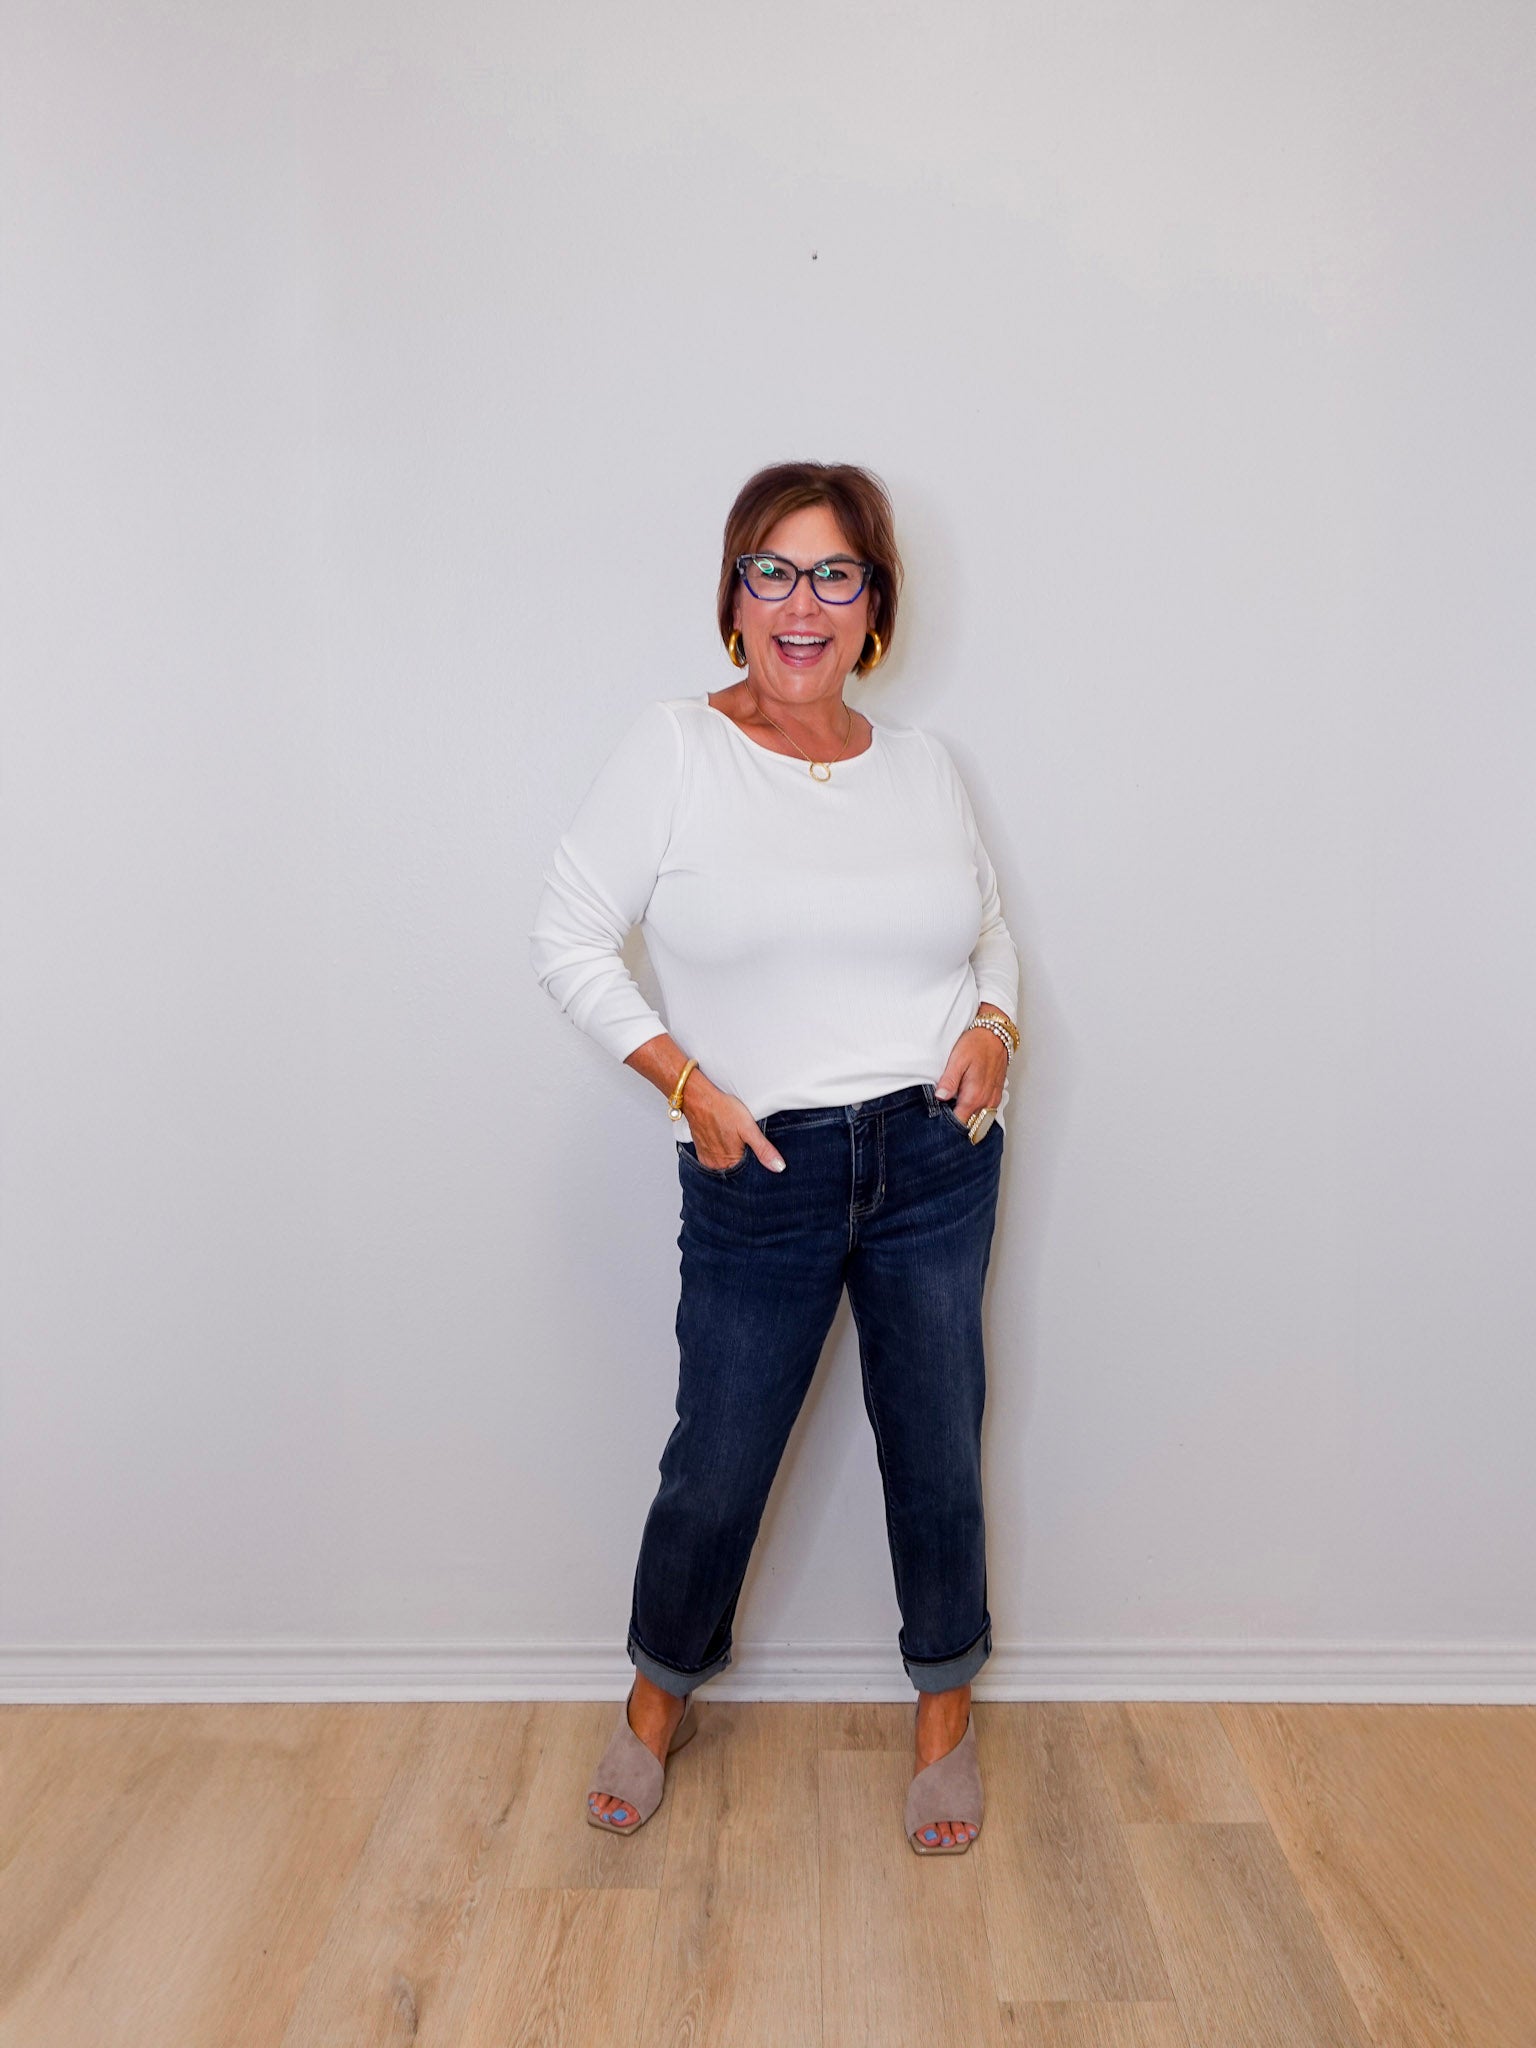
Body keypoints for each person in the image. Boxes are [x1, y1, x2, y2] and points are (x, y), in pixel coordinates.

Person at [529, 460, 1020, 1854]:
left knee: (936, 1446)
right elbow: (564, 935)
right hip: (763, 1166)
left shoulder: (926, 768)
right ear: (735, 598)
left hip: (936, 1154)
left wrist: (998, 1024)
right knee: (722, 1458)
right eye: (773, 572)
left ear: (876, 608)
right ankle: (653, 1700)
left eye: (836, 576)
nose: (803, 605)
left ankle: (942, 1715)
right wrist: (685, 1083)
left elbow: (988, 930)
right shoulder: (676, 749)